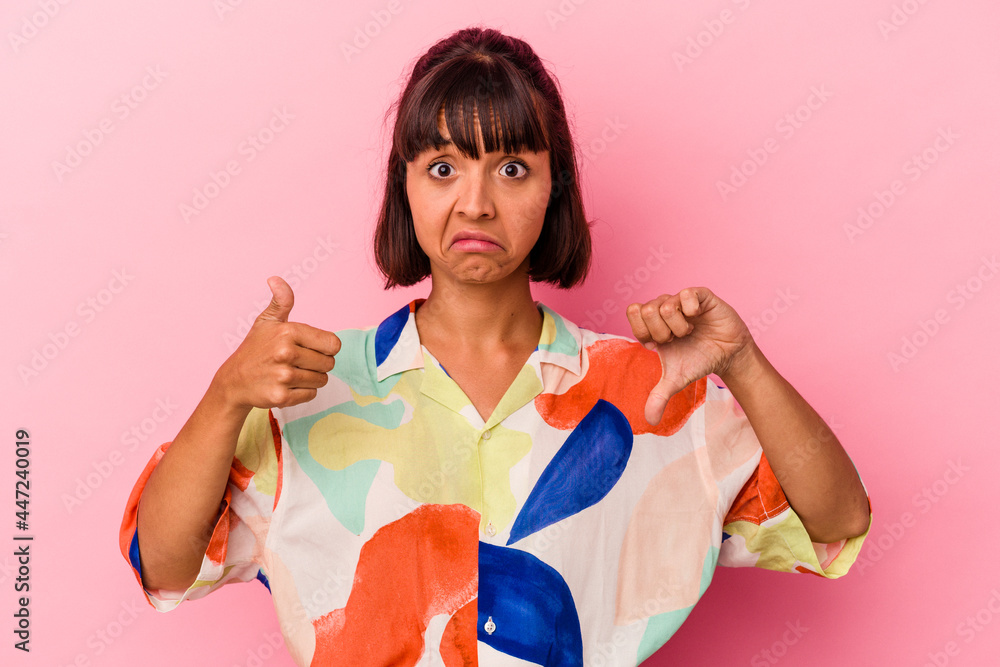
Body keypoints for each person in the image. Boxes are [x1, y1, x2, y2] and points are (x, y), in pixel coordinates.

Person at [119, 26, 872, 666]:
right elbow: (165, 564)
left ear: (555, 188)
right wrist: (226, 395)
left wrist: (743, 362)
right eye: (442, 168)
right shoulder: (305, 381)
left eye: (511, 168)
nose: (475, 202)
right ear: (404, 185)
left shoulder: (653, 389)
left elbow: (835, 524)